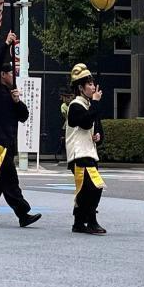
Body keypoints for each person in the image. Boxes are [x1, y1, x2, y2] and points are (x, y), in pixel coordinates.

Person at [0, 33, 41, 227]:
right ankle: (23, 213)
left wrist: (17, 101)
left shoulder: (10, 93)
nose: (13, 75)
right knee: (9, 178)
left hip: (7, 140)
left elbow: (24, 116)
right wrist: (5, 45)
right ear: (3, 75)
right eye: (11, 73)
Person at [64, 64, 106, 235]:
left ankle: (79, 222)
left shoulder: (89, 105)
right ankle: (91, 221)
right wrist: (95, 103)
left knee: (85, 189)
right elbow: (86, 122)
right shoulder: (75, 105)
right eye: (88, 84)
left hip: (89, 153)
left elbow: (97, 127)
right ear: (80, 88)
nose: (92, 87)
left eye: (92, 83)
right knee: (94, 187)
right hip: (79, 154)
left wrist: (99, 136)